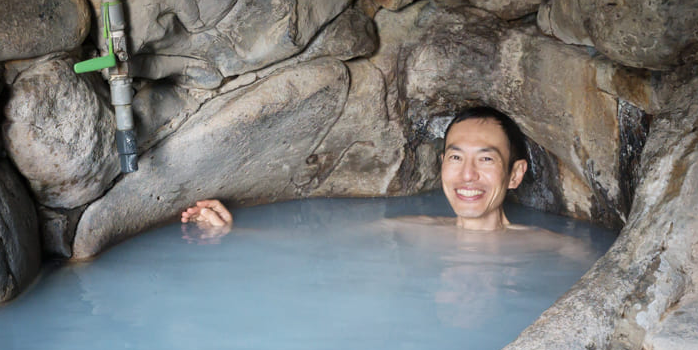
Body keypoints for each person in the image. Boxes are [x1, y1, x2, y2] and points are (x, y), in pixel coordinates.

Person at [180, 106, 531, 239]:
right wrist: (230, 231)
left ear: (515, 175)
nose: (467, 175)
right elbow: (322, 246)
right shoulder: (411, 232)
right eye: (456, 158)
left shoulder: (550, 250)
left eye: (485, 160)